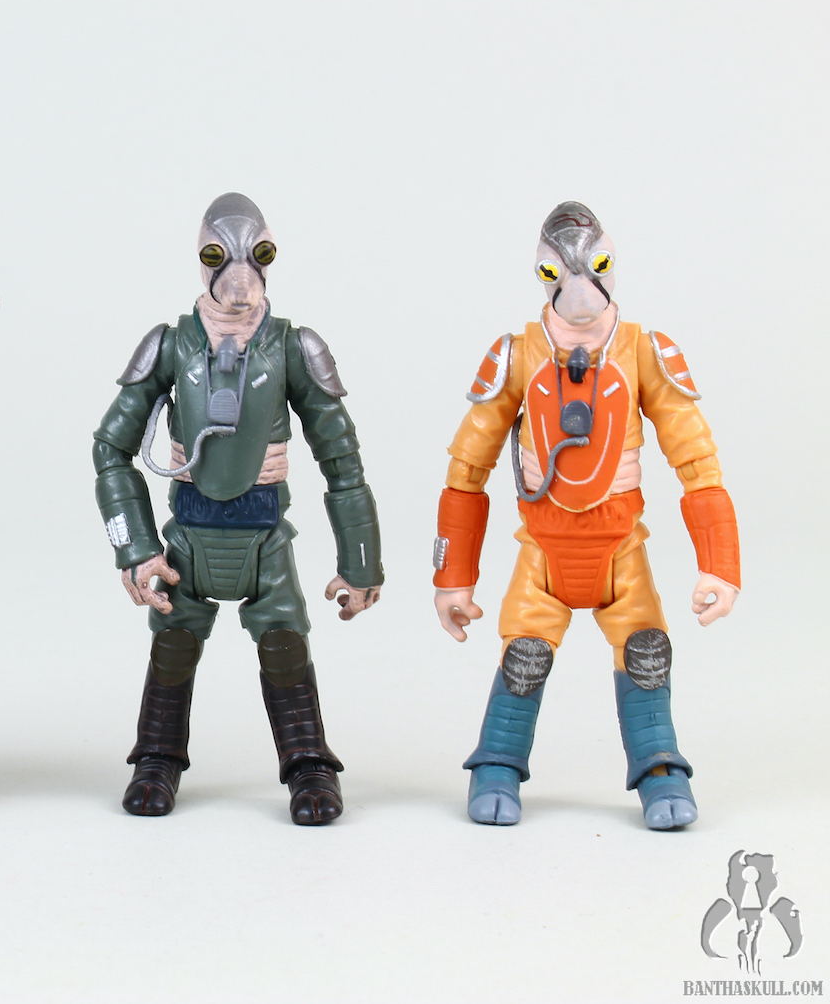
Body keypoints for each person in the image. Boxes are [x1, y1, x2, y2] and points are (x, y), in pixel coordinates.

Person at [433, 201, 739, 829]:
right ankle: (497, 763)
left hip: (620, 548)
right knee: (524, 656)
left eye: (595, 267)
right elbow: (468, 466)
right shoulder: (519, 354)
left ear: (610, 266)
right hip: (543, 550)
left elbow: (696, 459)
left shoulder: (643, 351)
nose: (579, 292)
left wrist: (720, 564)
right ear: (542, 274)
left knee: (646, 652)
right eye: (557, 273)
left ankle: (659, 768)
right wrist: (453, 575)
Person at [93, 193, 383, 824]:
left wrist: (361, 562)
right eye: (219, 258)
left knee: (285, 645)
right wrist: (134, 548)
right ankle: (157, 758)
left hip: (264, 538)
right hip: (188, 538)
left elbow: (342, 460)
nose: (239, 281)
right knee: (173, 645)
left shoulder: (293, 348)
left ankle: (308, 763)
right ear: (202, 261)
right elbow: (110, 449)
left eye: (258, 256)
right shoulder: (171, 346)